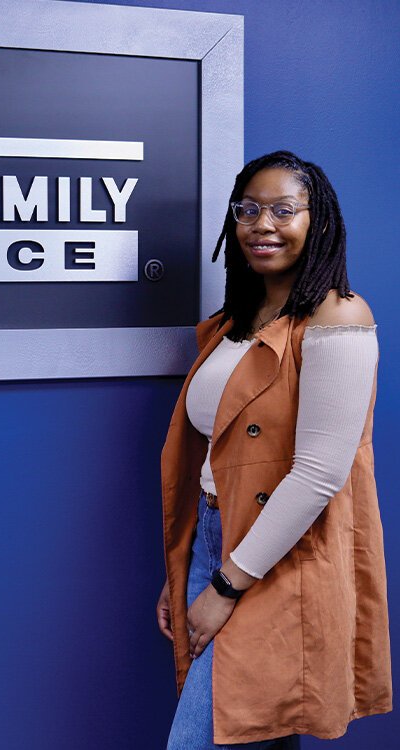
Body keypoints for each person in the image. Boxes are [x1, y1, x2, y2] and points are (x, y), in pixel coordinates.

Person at [155, 151, 392, 748]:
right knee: (258, 731)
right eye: (249, 210)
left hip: (277, 557)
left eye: (284, 210)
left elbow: (318, 474)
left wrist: (226, 586)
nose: (263, 225)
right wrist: (187, 568)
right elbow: (213, 454)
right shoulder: (235, 322)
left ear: (319, 222)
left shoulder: (337, 316)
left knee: (210, 734)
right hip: (217, 539)